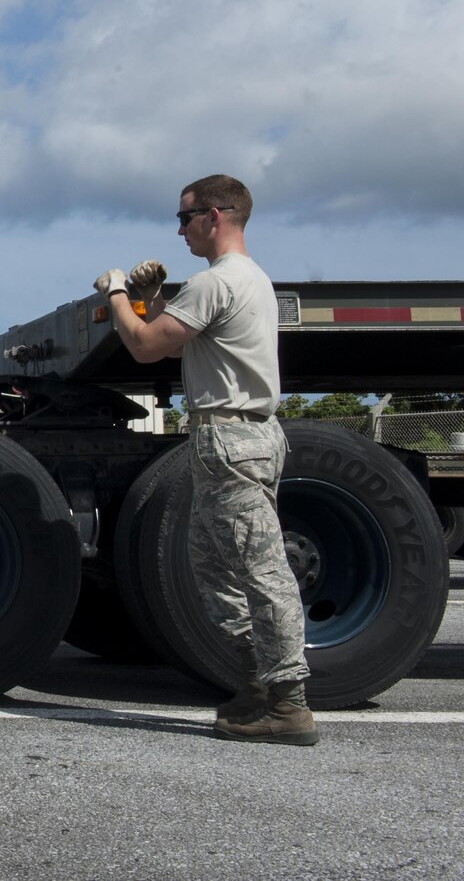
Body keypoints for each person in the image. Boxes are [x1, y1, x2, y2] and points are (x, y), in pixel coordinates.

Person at [95, 173, 316, 746]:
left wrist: (118, 291)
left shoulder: (218, 281)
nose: (179, 229)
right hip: (246, 437)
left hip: (230, 440)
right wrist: (153, 299)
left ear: (214, 216)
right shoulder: (249, 280)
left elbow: (145, 346)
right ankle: (256, 687)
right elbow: (187, 333)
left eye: (184, 218)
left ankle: (288, 705)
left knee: (261, 573)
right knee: (213, 567)